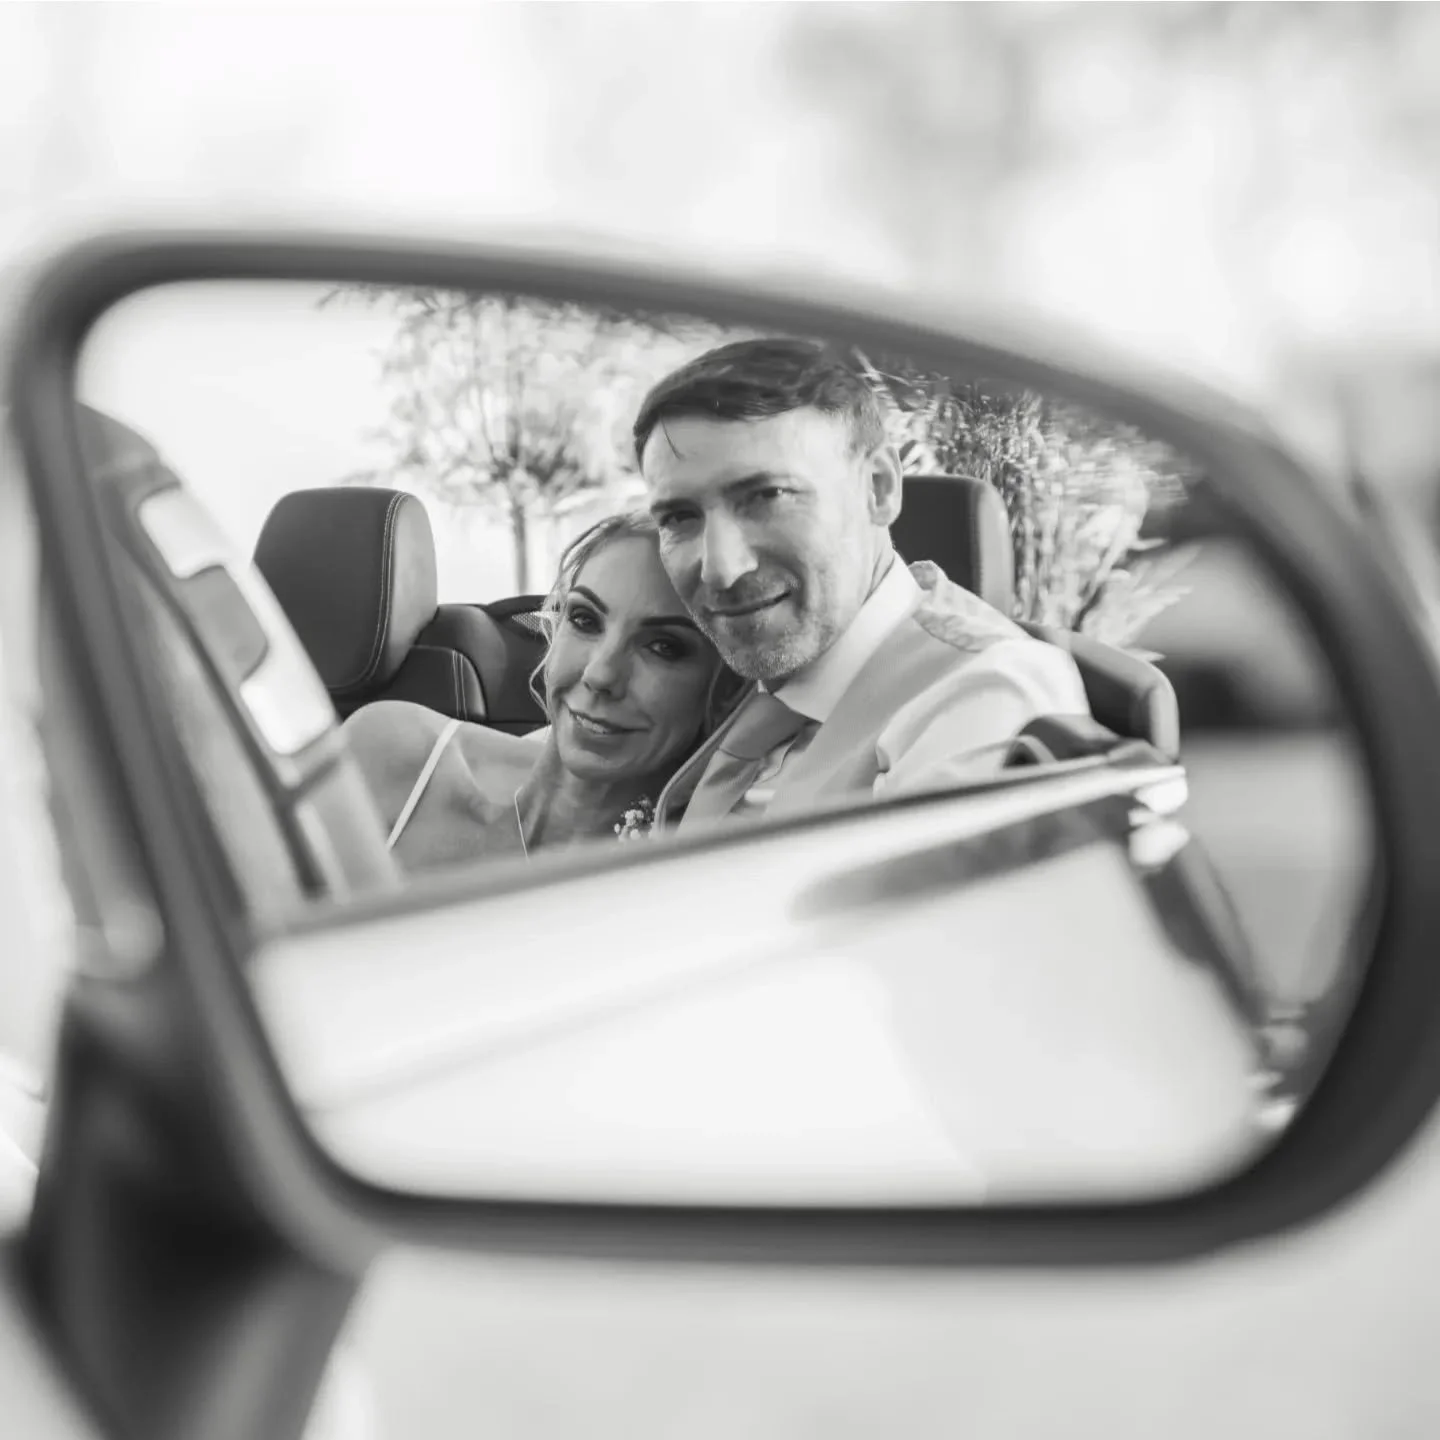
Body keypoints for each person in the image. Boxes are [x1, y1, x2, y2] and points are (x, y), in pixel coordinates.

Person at [634, 337, 1093, 833]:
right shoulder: (749, 672)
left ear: (878, 487)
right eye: (679, 517)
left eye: (767, 496)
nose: (720, 569)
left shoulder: (984, 692)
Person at [343, 512, 743, 872]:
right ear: (554, 630)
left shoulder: (700, 868)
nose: (600, 673)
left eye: (663, 647)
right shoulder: (395, 751)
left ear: (724, 690)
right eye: (585, 620)